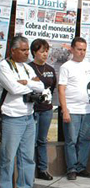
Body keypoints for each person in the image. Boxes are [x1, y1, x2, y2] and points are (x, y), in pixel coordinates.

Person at [0, 36, 44, 188]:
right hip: (12, 117)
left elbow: (42, 86)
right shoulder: (4, 66)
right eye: (24, 50)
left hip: (29, 116)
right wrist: (31, 85)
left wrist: (27, 82)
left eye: (28, 50)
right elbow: (13, 88)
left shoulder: (27, 68)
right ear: (13, 51)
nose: (27, 53)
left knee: (27, 156)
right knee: (8, 157)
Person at [59, 37, 90, 181]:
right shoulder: (66, 67)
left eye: (84, 50)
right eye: (79, 49)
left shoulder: (88, 65)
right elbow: (61, 90)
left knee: (85, 139)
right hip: (72, 109)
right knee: (71, 140)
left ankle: (81, 167)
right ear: (72, 49)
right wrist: (65, 110)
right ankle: (71, 168)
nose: (82, 52)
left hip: (86, 109)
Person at [29, 39, 57, 180]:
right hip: (32, 109)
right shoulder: (29, 68)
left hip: (46, 109)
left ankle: (43, 169)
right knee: (31, 140)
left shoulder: (51, 70)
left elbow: (52, 88)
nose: (45, 54)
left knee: (42, 140)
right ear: (34, 52)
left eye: (46, 51)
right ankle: (30, 169)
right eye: (42, 51)